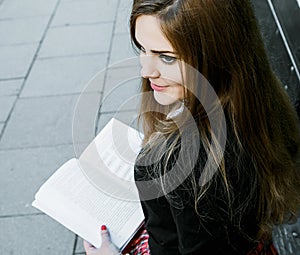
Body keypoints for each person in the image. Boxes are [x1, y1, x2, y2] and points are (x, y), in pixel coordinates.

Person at [84, 0, 300, 254]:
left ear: (216, 54)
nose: (145, 70)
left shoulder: (186, 163)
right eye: (142, 48)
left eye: (166, 57)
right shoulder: (257, 104)